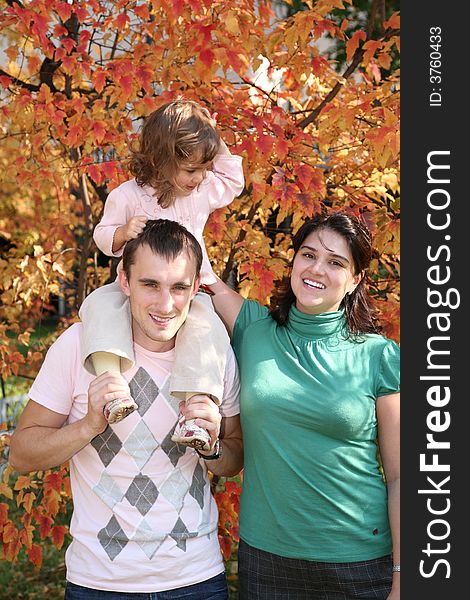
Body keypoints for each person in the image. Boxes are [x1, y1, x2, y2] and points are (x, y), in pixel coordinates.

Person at [9, 219, 244, 599]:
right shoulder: (78, 346)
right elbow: (21, 454)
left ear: (196, 286)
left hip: (195, 578)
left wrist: (213, 447)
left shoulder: (214, 353)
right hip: (99, 583)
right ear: (124, 280)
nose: (165, 304)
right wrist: (88, 425)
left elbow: (233, 460)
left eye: (179, 287)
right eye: (150, 284)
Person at [208, 212, 400, 600]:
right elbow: (192, 269)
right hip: (267, 560)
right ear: (293, 260)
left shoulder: (379, 356)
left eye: (335, 262)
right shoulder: (251, 327)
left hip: (360, 563)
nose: (317, 269)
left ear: (355, 279)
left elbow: (400, 476)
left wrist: (404, 575)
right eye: (308, 255)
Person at [79, 99, 244, 452]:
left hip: (188, 289)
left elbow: (233, 180)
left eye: (204, 168)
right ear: (160, 158)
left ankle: (196, 413)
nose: (199, 177)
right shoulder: (128, 195)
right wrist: (122, 233)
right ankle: (112, 386)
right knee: (98, 307)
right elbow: (102, 235)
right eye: (189, 169)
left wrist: (213, 134)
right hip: (136, 287)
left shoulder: (199, 193)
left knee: (206, 330)